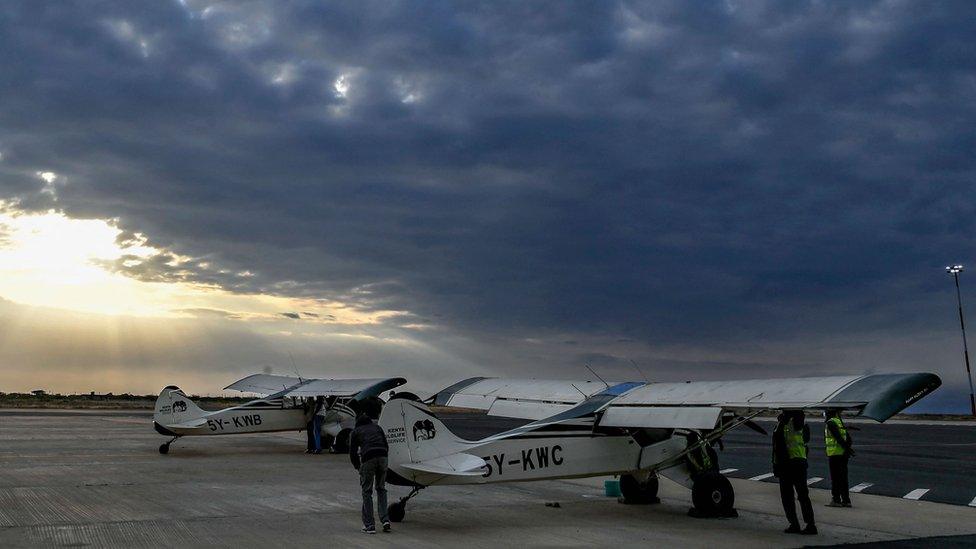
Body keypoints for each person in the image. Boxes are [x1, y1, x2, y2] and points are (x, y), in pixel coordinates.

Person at [772, 411, 817, 535]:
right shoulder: (798, 423)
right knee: (801, 495)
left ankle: (796, 523)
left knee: (789, 496)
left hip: (789, 464)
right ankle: (808, 524)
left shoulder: (787, 423)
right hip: (798, 462)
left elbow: (778, 445)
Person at [350, 414, 390, 534]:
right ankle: (385, 520)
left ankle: (369, 525)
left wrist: (358, 468)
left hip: (368, 458)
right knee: (381, 488)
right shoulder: (377, 428)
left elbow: (352, 453)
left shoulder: (356, 431)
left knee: (367, 491)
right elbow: (386, 446)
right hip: (383, 456)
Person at [824, 410, 854, 507]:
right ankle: (846, 500)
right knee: (843, 478)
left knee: (835, 478)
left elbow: (838, 437)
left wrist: (847, 448)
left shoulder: (830, 423)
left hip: (835, 454)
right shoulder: (838, 422)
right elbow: (848, 438)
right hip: (843, 454)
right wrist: (848, 449)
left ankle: (836, 499)